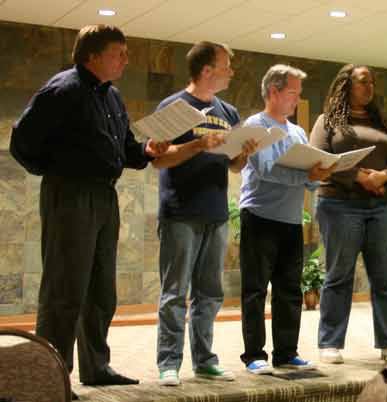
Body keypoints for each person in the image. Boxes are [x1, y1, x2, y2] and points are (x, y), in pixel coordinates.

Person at [9, 25, 168, 399]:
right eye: (119, 53)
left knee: (100, 289)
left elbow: (127, 149)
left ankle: (96, 367)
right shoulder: (63, 90)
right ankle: (53, 376)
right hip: (69, 195)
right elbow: (22, 142)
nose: (126, 60)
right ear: (92, 55)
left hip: (104, 198)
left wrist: (147, 150)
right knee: (64, 288)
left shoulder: (111, 96)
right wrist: (59, 171)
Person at [151, 41, 257, 386]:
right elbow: (158, 159)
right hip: (180, 213)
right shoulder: (174, 107)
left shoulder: (227, 111)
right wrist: (198, 143)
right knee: (175, 292)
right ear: (207, 70)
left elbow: (236, 166)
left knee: (209, 293)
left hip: (216, 214)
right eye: (226, 65)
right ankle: (169, 362)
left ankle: (204, 360)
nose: (231, 71)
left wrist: (246, 152)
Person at [238, 64, 334, 374]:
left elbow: (306, 180)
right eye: (293, 93)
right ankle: (254, 355)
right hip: (259, 216)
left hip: (291, 220)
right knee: (255, 289)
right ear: (274, 92)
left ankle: (286, 352)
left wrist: (319, 174)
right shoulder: (255, 126)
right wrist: (306, 174)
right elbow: (268, 170)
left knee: (289, 289)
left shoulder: (298, 132)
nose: (296, 99)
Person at [310, 64, 387, 364]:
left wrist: (384, 176)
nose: (369, 87)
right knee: (339, 276)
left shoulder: (384, 123)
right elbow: (320, 159)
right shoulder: (327, 122)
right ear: (346, 85)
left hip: (382, 206)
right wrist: (359, 178)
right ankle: (330, 343)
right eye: (364, 81)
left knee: (383, 278)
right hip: (340, 205)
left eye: (372, 82)